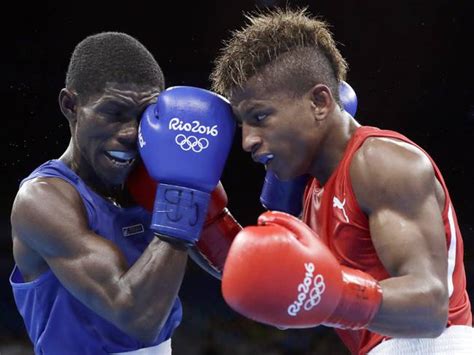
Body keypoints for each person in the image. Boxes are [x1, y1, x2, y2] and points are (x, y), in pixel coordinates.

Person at [209, 7, 473, 355]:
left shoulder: (380, 162)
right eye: (244, 125)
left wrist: (333, 297)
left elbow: (430, 309)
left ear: (319, 101)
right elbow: (263, 275)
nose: (248, 141)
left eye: (260, 117)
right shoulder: (314, 191)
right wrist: (203, 224)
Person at [9, 31, 236, 354]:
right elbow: (137, 316)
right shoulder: (42, 199)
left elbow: (232, 267)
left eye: (143, 116)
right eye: (113, 113)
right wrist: (183, 201)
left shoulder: (158, 175)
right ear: (70, 105)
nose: (129, 133)